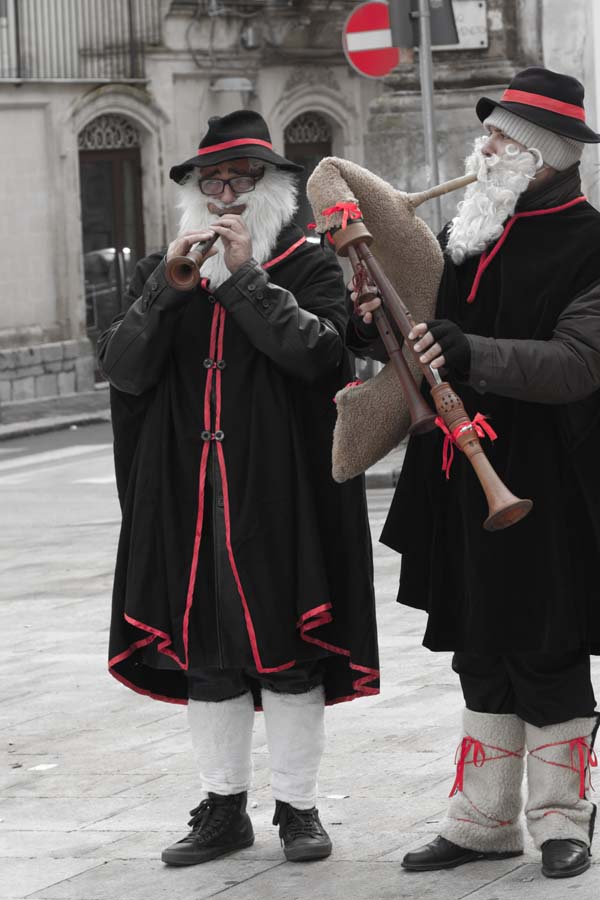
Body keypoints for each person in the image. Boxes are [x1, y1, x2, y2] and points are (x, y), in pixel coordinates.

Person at [98, 110, 379, 867]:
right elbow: (122, 369)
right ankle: (224, 807)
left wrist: (247, 279)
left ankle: (299, 807)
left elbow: (320, 358)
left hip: (280, 495)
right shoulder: (165, 270)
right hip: (190, 498)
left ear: (274, 188)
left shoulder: (310, 267)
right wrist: (164, 290)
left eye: (239, 178)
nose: (222, 192)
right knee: (208, 654)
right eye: (208, 180)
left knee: (288, 649)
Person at [349, 67, 600, 880]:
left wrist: (467, 352)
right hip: (465, 474)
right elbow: (425, 341)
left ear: (542, 154)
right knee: (483, 648)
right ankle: (483, 819)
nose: (482, 146)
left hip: (552, 484)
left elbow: (575, 364)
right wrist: (378, 326)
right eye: (486, 134)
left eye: (499, 137)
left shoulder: (593, 242)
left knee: (549, 647)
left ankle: (565, 818)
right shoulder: (471, 231)